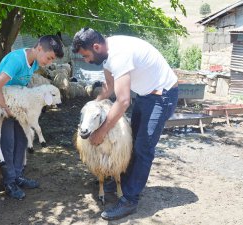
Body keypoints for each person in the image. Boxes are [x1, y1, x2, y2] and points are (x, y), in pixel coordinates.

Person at [72, 28, 178, 220]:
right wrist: (93, 106)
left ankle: (130, 199)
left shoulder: (119, 55)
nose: (86, 60)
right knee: (132, 142)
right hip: (146, 95)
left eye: (86, 56)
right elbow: (109, 87)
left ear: (96, 46)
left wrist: (101, 132)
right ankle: (124, 182)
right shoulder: (106, 53)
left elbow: (122, 101)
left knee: (142, 149)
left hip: (162, 96)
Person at [0, 35, 64, 200]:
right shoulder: (16, 60)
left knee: (23, 139)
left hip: (18, 106)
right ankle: (9, 182)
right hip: (2, 105)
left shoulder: (35, 62)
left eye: (52, 60)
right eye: (49, 57)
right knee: (8, 143)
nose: (49, 62)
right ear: (38, 48)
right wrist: (7, 111)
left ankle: (17, 176)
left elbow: (22, 85)